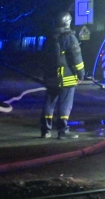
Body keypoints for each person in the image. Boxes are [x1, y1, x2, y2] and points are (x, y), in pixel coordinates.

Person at [41, 11, 85, 139]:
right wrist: (81, 74)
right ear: (68, 22)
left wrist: (45, 76)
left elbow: (42, 59)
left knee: (49, 103)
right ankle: (63, 131)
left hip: (50, 78)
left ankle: (45, 131)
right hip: (67, 78)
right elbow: (76, 58)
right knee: (65, 104)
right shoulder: (70, 38)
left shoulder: (49, 39)